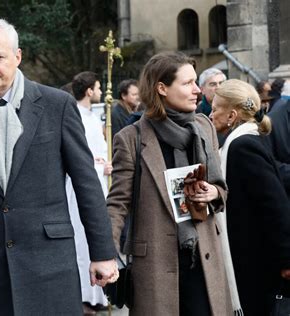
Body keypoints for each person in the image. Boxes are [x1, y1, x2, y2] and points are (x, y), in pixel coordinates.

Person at [0, 18, 118, 315]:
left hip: (51, 263)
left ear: (17, 56)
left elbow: (86, 183)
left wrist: (102, 253)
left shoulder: (57, 105)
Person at [107, 52, 232, 315]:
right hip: (155, 264)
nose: (197, 90)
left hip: (205, 258)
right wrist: (106, 254)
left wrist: (213, 192)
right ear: (161, 88)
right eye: (187, 83)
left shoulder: (204, 127)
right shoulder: (130, 138)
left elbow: (221, 187)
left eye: (196, 82)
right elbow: (117, 203)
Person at [210, 79, 290, 315]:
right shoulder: (247, 138)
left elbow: (274, 203)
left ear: (231, 115)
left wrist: (287, 259)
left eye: (215, 109)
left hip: (255, 258)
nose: (210, 114)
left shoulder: (242, 146)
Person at [71, 71, 111, 314]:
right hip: (82, 190)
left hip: (99, 181)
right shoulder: (77, 117)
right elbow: (80, 157)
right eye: (97, 88)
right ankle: (86, 295)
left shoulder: (92, 117)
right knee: (83, 243)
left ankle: (99, 295)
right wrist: (100, 165)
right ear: (89, 91)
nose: (99, 92)